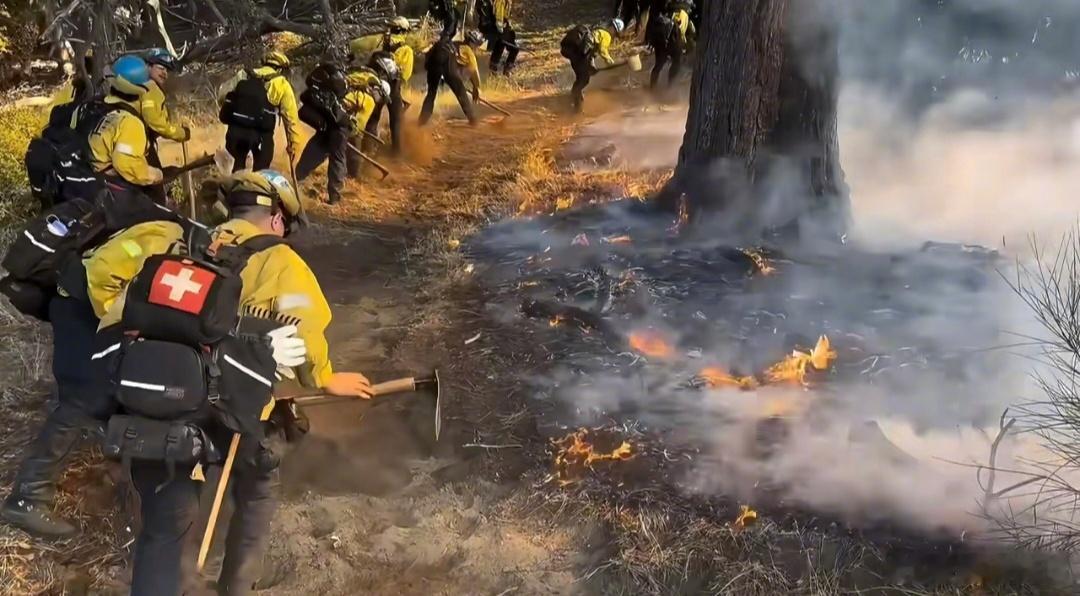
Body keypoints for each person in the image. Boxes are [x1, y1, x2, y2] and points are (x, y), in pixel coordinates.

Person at [119, 170, 374, 594]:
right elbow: (303, 330)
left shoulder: (180, 243)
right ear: (276, 219)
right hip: (229, 406)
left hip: (159, 403)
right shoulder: (280, 261)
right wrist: (325, 379)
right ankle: (237, 585)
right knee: (257, 485)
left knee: (165, 524)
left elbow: (124, 309)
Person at [297, 67, 382, 204]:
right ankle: (334, 197)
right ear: (376, 90)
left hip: (327, 120)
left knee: (316, 148)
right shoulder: (368, 100)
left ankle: (297, 180)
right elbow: (358, 126)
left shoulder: (346, 88)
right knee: (338, 159)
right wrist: (349, 132)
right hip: (339, 125)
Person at [218, 51, 302, 173]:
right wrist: (293, 143)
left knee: (238, 165)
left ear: (264, 64)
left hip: (236, 132)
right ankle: (256, 189)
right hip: (261, 136)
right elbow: (290, 118)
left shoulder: (244, 74)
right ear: (280, 69)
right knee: (262, 170)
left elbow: (222, 96)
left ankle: (236, 186)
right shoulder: (282, 84)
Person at [141, 48, 191, 202]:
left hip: (141, 143)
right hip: (142, 146)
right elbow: (154, 121)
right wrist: (180, 133)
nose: (164, 73)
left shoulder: (141, 85)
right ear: (148, 67)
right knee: (156, 192)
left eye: (166, 70)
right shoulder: (150, 88)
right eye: (160, 68)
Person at [365, 17, 414, 156]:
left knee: (373, 117)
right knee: (396, 120)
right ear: (403, 31)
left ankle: (368, 148)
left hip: (376, 84)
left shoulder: (382, 43)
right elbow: (405, 75)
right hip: (393, 85)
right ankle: (396, 153)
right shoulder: (406, 50)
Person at [419, 31, 484, 126]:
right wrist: (477, 87)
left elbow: (429, 56)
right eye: (477, 45)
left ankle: (421, 122)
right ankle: (473, 120)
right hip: (447, 61)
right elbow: (474, 70)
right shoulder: (468, 50)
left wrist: (436, 71)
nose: (477, 48)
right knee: (460, 91)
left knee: (431, 94)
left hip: (433, 60)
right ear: (472, 43)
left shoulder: (455, 44)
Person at [560, 19, 623, 114]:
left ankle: (576, 101)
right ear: (613, 29)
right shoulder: (606, 35)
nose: (614, 36)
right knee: (584, 79)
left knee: (581, 78)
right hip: (581, 55)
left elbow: (591, 51)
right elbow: (603, 51)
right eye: (616, 33)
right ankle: (577, 107)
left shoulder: (596, 30)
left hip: (575, 54)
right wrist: (611, 63)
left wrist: (591, 66)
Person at [648, 1, 693, 91]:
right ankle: (670, 86)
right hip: (675, 43)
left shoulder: (665, 14)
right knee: (677, 63)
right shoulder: (684, 15)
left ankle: (652, 88)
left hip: (661, 43)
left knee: (658, 65)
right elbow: (691, 32)